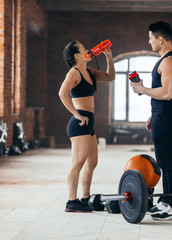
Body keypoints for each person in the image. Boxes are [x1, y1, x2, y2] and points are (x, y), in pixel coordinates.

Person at [130, 21, 172, 220]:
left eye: (151, 37)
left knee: (168, 164)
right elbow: (166, 95)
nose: (149, 41)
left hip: (166, 116)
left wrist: (143, 90)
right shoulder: (165, 60)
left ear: (160, 38)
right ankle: (167, 202)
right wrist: (154, 114)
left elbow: (169, 93)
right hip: (163, 115)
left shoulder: (169, 61)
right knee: (165, 161)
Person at [59, 40, 115, 212]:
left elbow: (109, 77)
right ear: (77, 55)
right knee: (78, 163)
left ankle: (85, 198)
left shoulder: (89, 71)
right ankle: (71, 201)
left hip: (88, 123)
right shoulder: (74, 73)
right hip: (79, 123)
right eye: (83, 49)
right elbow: (62, 93)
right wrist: (76, 114)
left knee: (92, 163)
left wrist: (109, 57)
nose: (87, 50)